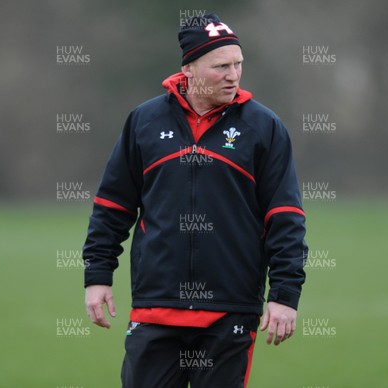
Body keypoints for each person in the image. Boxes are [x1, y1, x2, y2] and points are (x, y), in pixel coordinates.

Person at [83, 13, 308, 388]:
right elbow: (112, 206)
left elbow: (285, 218)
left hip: (229, 311)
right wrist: (97, 275)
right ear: (188, 68)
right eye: (220, 66)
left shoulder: (263, 127)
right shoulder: (143, 122)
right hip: (155, 308)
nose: (233, 75)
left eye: (238, 64)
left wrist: (285, 294)